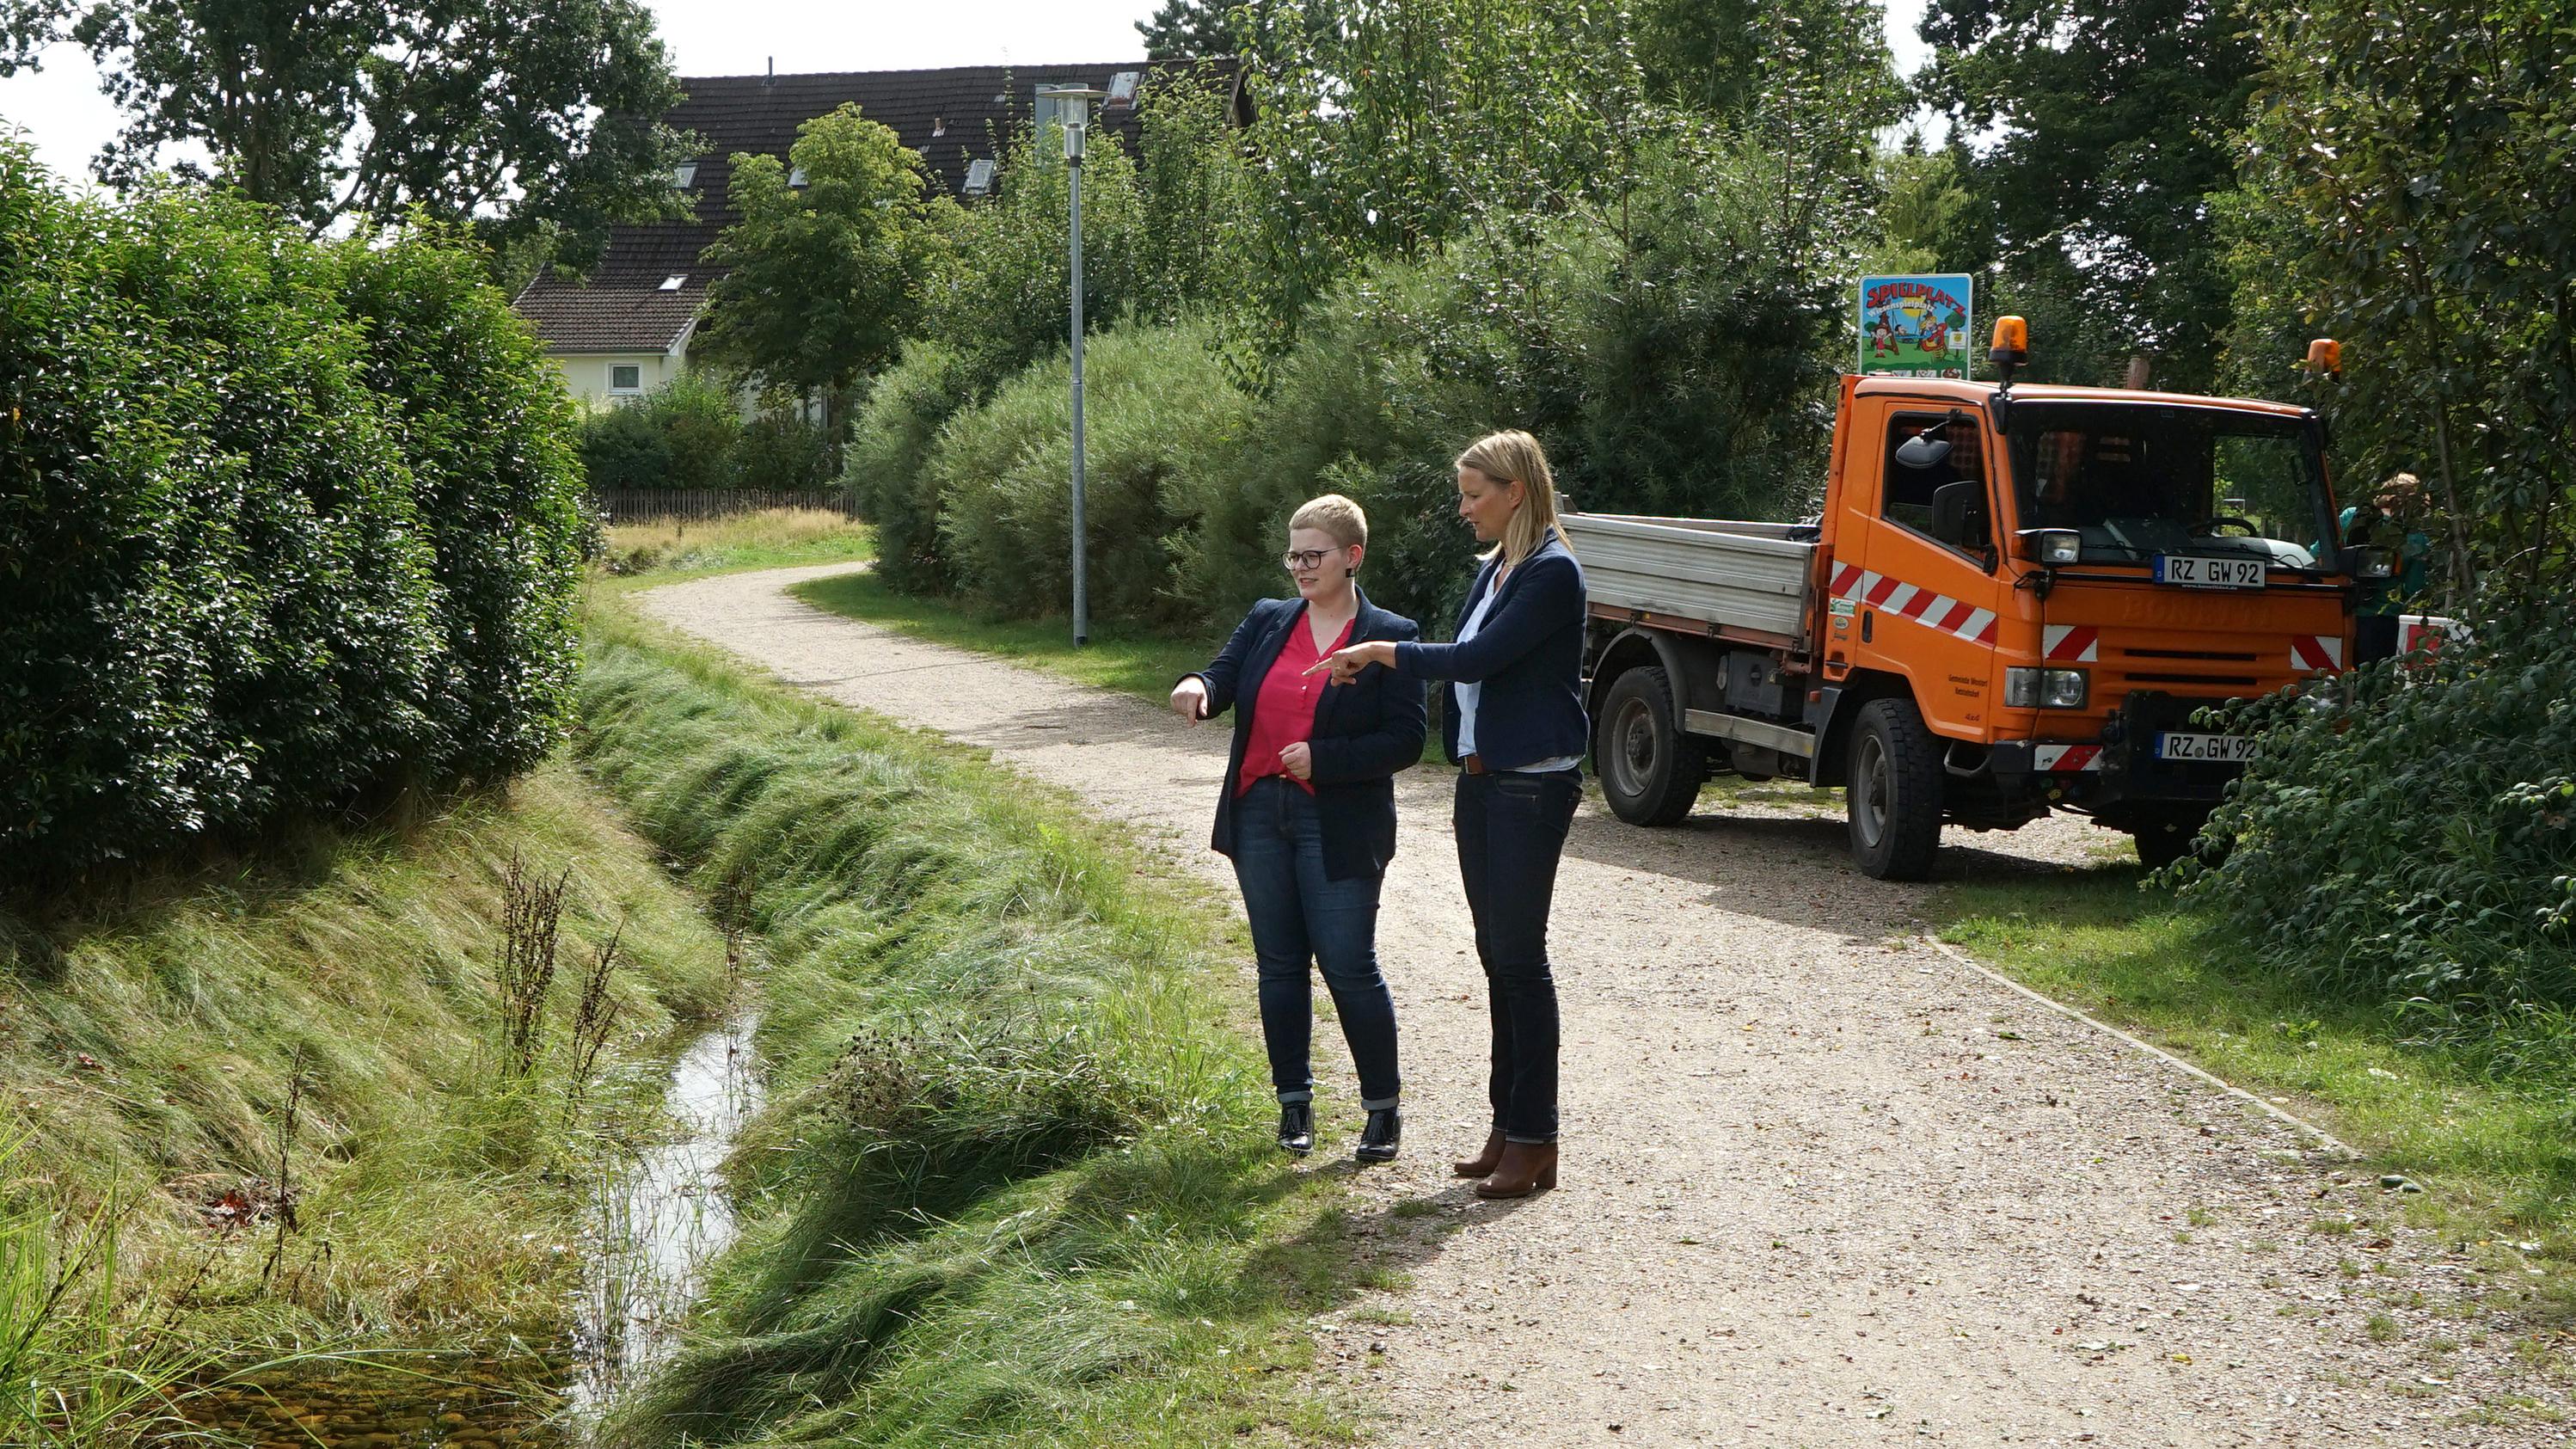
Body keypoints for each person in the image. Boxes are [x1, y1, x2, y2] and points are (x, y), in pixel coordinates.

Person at [1309, 430, 1588, 1200]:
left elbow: (1475, 660)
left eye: (1474, 493)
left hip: (1531, 785)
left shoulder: (1551, 573)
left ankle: (1536, 1138)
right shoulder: (1500, 568)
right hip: (1484, 781)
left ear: (1516, 491)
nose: (1463, 508)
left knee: (1521, 962)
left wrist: (1379, 652)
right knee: (1498, 956)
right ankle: (1509, 1129)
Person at [1170, 494, 1426, 1163]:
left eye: (1314, 555)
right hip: (1259, 811)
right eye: (1294, 555)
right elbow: (1224, 677)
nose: (1301, 567)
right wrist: (1197, 685)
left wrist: (1326, 760)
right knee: (1279, 965)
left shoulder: (1392, 634)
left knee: (1347, 963)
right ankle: (1294, 1105)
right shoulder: (1268, 620)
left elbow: (1406, 739)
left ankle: (1381, 1110)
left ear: (1353, 557)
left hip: (1338, 821)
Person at [2341, 471, 2433, 665]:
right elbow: (2413, 587)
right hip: (2382, 621)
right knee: (2371, 684)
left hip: (2338, 610)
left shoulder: (2352, 517)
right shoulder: (2416, 539)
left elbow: (2317, 554)